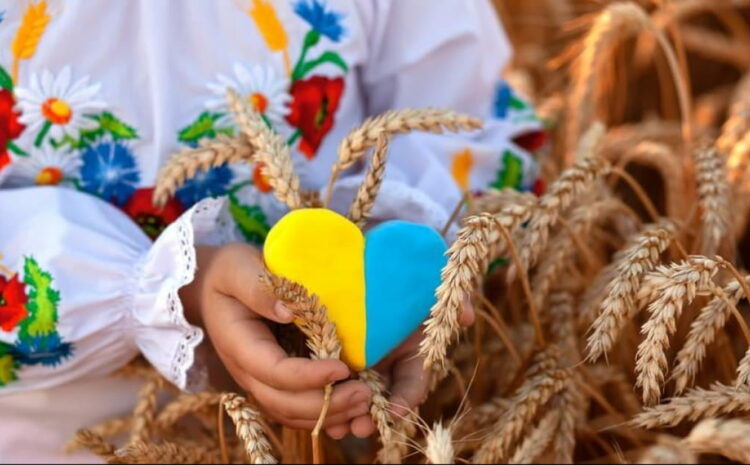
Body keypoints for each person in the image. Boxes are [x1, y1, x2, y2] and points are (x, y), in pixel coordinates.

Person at [0, 0, 544, 462]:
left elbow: (465, 117)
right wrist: (178, 289)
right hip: (52, 437)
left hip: (343, 414)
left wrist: (395, 272)